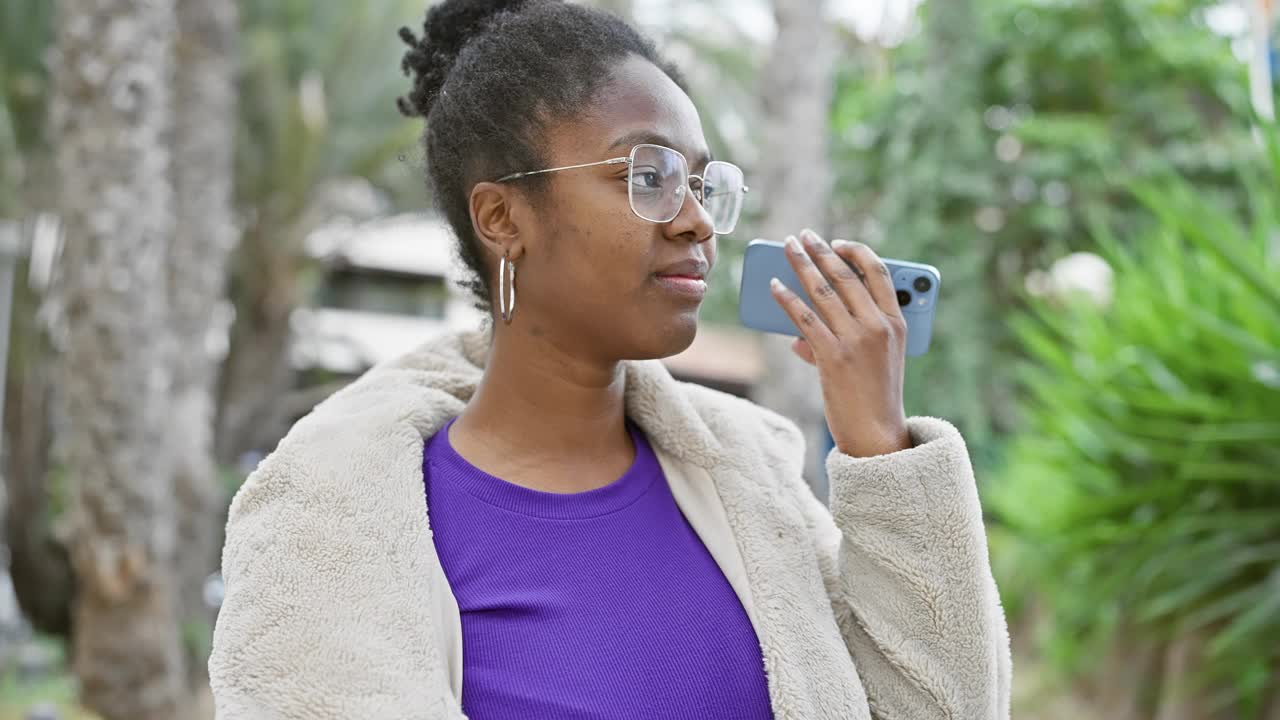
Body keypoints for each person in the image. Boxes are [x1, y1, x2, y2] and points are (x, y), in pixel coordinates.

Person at [207, 0, 1012, 718]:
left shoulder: (750, 485)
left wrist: (877, 444)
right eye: (649, 175)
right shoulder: (336, 525)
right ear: (501, 216)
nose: (696, 220)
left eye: (702, 184)